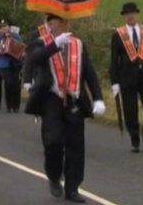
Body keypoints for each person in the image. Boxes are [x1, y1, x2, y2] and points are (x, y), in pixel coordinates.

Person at [24, 14, 106, 203]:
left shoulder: (78, 44)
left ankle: (73, 188)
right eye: (54, 22)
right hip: (51, 99)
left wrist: (98, 98)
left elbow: (89, 72)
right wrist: (54, 46)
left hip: (74, 98)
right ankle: (54, 176)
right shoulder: (40, 43)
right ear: (49, 24)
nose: (59, 25)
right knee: (52, 141)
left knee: (76, 146)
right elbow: (34, 59)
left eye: (62, 22)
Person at [110, 2, 143, 153]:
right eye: (127, 14)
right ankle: (135, 140)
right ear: (124, 17)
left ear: (137, 15)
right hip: (126, 78)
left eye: (133, 13)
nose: (130, 16)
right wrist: (115, 82)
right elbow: (114, 60)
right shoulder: (118, 35)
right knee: (130, 111)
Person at [0, 19, 23, 112]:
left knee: (16, 84)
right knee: (8, 83)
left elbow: (21, 46)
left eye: (6, 26)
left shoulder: (15, 35)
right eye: (2, 27)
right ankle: (9, 106)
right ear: (0, 28)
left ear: (9, 27)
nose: (4, 28)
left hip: (15, 63)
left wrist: (17, 49)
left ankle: (16, 106)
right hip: (3, 63)